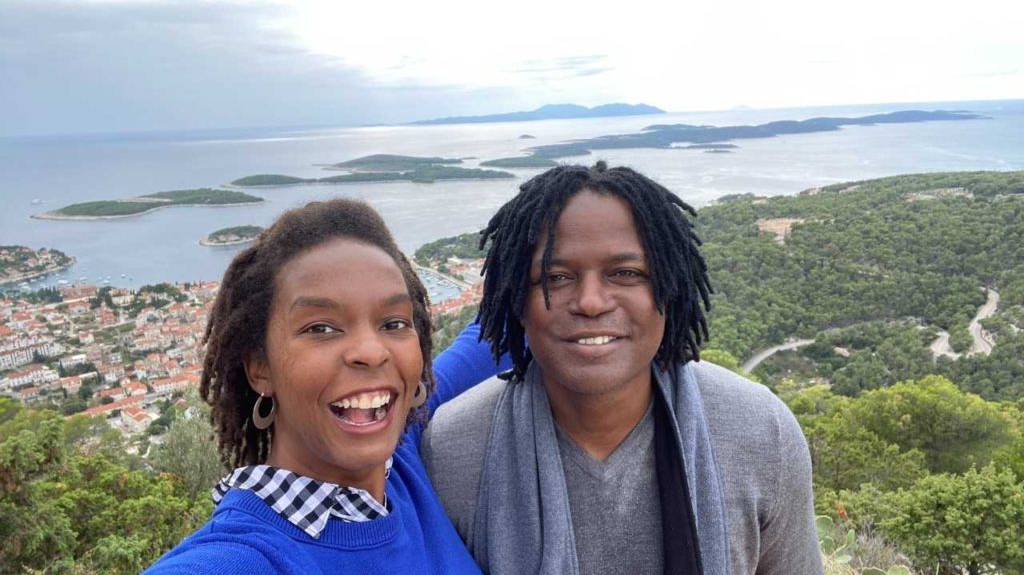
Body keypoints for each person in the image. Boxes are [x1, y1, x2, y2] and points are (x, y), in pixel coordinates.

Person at [422, 162, 823, 575]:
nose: (592, 302)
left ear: (669, 288)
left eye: (626, 273)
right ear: (517, 301)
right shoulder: (454, 448)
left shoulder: (760, 434)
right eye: (556, 277)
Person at [146, 198, 505, 574]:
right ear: (260, 368)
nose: (371, 351)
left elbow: (499, 330)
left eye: (394, 323)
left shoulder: (402, 456)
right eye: (321, 328)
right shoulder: (244, 558)